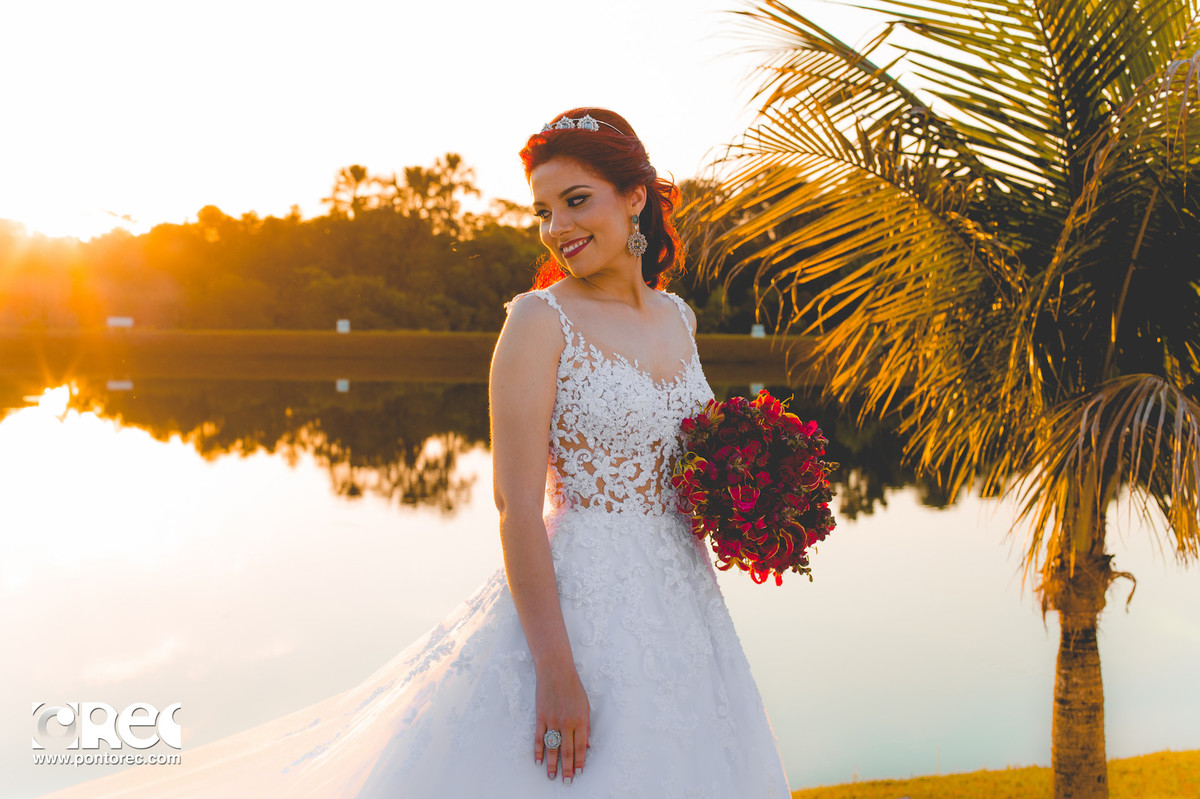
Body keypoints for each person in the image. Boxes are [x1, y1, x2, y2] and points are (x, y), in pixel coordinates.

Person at [37, 108, 791, 799]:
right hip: (581, 607)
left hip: (686, 604)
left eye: (575, 200)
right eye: (541, 210)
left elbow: (684, 459)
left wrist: (761, 494)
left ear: (635, 198)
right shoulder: (538, 321)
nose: (556, 227)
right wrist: (556, 671)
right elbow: (514, 507)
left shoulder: (678, 317)